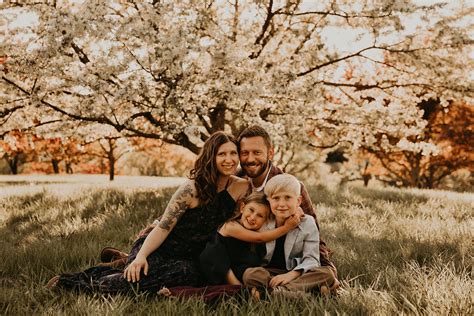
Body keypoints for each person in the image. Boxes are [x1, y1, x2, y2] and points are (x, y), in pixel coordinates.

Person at [47, 131, 250, 293]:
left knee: (188, 274)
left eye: (233, 153)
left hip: (188, 260)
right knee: (134, 280)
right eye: (222, 154)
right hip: (160, 248)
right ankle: (71, 282)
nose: (229, 159)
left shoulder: (241, 187)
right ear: (210, 157)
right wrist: (141, 256)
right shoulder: (191, 189)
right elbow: (162, 228)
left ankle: (120, 263)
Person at [236, 125, 338, 277]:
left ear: (270, 153)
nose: (250, 159)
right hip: (253, 261)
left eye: (257, 152)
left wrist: (328, 269)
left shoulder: (290, 188)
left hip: (289, 261)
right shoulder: (237, 185)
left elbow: (314, 235)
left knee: (324, 274)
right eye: (245, 153)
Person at [242, 174, 339, 295]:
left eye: (287, 198)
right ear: (268, 201)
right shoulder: (264, 220)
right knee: (249, 274)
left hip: (297, 272)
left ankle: (275, 293)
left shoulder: (307, 222)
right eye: (276, 198)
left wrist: (292, 274)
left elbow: (312, 259)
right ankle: (306, 293)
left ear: (298, 201)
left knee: (326, 273)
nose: (282, 204)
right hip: (270, 273)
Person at [199, 191, 300, 286]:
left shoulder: (259, 230)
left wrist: (296, 210)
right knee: (216, 252)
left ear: (266, 220)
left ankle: (259, 288)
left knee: (252, 265)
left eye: (260, 216)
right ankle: (238, 289)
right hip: (216, 266)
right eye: (251, 210)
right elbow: (259, 238)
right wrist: (287, 227)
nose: (252, 217)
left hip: (239, 267)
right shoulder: (230, 226)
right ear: (242, 207)